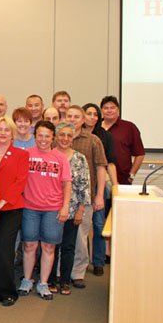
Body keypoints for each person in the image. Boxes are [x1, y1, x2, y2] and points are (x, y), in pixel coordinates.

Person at [18, 120, 71, 301]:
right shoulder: (27, 154)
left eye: (47, 136)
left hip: (53, 209)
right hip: (30, 208)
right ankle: (27, 280)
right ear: (35, 136)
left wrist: (65, 207)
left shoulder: (60, 158)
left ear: (52, 138)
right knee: (29, 245)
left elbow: (67, 184)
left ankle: (43, 283)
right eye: (39, 135)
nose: (43, 139)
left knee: (48, 247)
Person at [0, 117, 29, 307]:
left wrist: (0, 204)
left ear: (12, 134)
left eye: (6, 130)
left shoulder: (21, 154)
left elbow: (20, 181)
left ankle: (7, 291)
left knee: (4, 249)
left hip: (10, 208)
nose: (2, 133)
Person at [66, 105, 107, 289]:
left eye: (76, 117)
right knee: (61, 237)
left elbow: (100, 168)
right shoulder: (58, 139)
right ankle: (61, 271)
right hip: (59, 199)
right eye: (69, 116)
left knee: (80, 237)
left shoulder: (93, 140)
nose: (72, 119)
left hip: (85, 198)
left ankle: (77, 273)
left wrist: (99, 196)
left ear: (83, 120)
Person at [50, 122, 90, 296]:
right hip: (50, 209)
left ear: (73, 137)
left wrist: (81, 210)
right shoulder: (49, 155)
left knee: (68, 246)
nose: (65, 138)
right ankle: (51, 279)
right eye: (61, 135)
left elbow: (84, 185)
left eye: (68, 135)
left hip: (72, 210)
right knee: (51, 247)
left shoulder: (80, 158)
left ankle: (65, 280)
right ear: (55, 137)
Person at [82, 102, 118, 275]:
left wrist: (115, 186)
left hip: (98, 187)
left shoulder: (103, 136)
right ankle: (81, 262)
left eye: (95, 114)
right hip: (80, 190)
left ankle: (98, 261)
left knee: (98, 224)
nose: (92, 117)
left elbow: (108, 163)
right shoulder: (73, 135)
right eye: (89, 113)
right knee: (81, 225)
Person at [100, 95, 145, 185]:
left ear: (118, 110)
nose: (109, 110)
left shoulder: (129, 127)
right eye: (106, 108)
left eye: (112, 107)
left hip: (122, 180)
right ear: (101, 110)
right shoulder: (96, 128)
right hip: (98, 179)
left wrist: (131, 176)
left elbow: (140, 154)